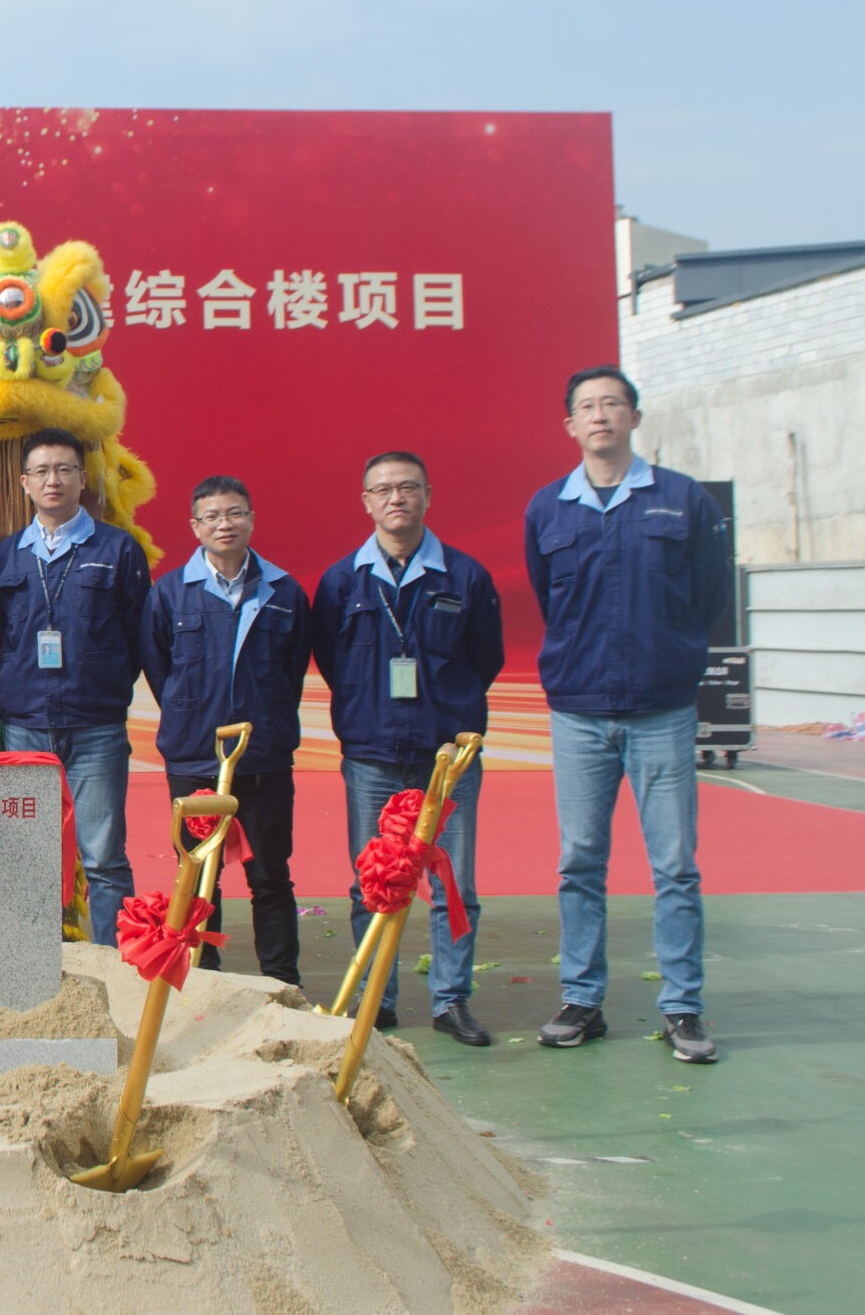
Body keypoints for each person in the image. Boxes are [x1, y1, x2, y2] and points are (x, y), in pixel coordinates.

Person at [526, 366, 729, 1064]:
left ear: (635, 418)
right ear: (570, 426)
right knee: (579, 860)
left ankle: (683, 1007)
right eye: (587, 406)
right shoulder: (548, 508)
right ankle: (582, 998)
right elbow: (551, 599)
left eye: (613, 403)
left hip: (662, 710)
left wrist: (669, 659)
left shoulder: (681, 500)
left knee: (675, 864)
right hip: (580, 711)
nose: (601, 415)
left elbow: (709, 595)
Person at [312, 452, 505, 1043]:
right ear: (365, 501)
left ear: (427, 495)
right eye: (383, 490)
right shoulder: (342, 581)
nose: (396, 498)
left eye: (407, 488)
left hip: (445, 760)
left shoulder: (464, 577)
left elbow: (486, 658)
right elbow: (329, 657)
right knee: (371, 881)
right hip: (371, 754)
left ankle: (451, 1001)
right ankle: (378, 998)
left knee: (453, 885)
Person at [138, 475, 309, 988]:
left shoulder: (284, 592)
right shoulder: (170, 594)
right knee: (198, 878)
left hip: (263, 762)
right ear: (195, 526)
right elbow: (158, 667)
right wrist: (194, 715)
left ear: (252, 519)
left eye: (234, 513)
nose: (224, 524)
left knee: (270, 877)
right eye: (212, 516)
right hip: (193, 761)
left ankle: (282, 984)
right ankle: (202, 978)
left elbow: (292, 669)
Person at [0, 428, 150, 946]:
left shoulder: (118, 549)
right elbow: (6, 629)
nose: (52, 480)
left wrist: (99, 684)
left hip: (96, 726)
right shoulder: (10, 554)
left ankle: (114, 972)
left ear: (83, 478)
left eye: (64, 469)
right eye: (41, 471)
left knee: (103, 857)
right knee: (31, 857)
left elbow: (136, 634)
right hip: (27, 726)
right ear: (24, 483)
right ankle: (35, 967)